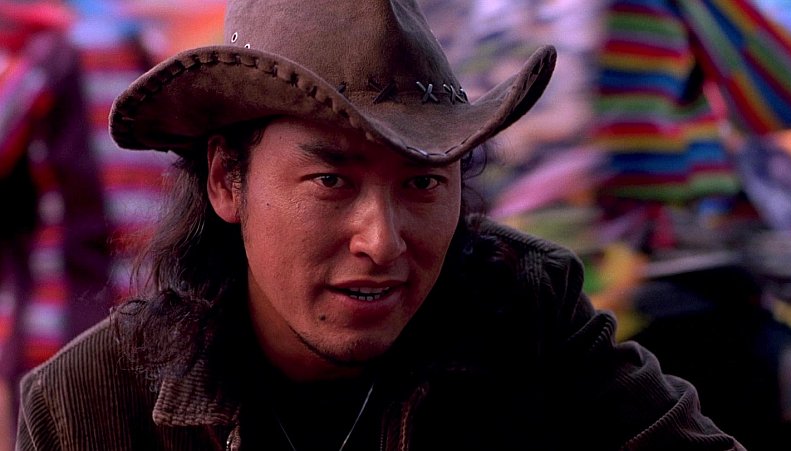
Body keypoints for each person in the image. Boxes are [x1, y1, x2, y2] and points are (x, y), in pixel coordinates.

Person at [15, 0, 744, 449]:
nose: (382, 241)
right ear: (227, 180)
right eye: (331, 180)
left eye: (423, 182)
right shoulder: (90, 405)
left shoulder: (526, 313)